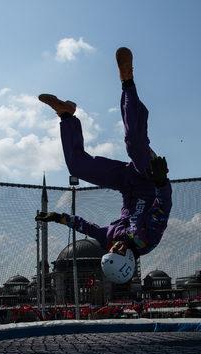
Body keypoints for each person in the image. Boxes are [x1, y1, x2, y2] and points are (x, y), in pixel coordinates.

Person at [36, 47, 172, 284]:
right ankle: (127, 82)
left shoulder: (109, 238)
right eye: (119, 250)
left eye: (113, 249)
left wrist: (58, 217)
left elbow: (84, 226)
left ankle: (67, 115)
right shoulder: (148, 239)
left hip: (125, 182)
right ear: (129, 258)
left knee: (77, 168)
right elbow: (164, 206)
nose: (117, 245)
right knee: (134, 144)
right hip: (150, 177)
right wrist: (161, 182)